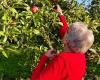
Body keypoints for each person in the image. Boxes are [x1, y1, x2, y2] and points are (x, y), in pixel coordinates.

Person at [31, 5, 94, 80]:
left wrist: (44, 58)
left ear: (67, 40)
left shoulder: (61, 60)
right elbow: (66, 31)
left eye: (67, 32)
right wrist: (60, 14)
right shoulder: (81, 56)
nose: (65, 31)